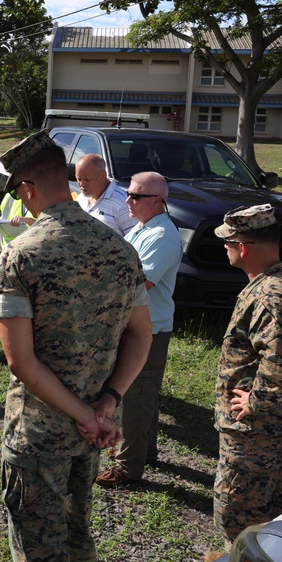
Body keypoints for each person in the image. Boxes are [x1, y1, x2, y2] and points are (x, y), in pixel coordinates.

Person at [0, 132, 153, 562]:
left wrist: (86, 415)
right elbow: (142, 334)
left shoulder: (20, 254)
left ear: (27, 189)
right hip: (93, 431)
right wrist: (107, 403)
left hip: (39, 434)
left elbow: (20, 360)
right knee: (77, 536)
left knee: (38, 546)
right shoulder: (120, 248)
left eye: (21, 194)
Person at [212, 204, 282, 542]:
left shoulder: (269, 294)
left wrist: (258, 400)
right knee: (265, 507)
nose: (225, 247)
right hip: (272, 423)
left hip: (254, 428)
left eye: (228, 241)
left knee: (237, 514)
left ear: (243, 246)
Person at [96, 171, 182, 488]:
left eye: (136, 196)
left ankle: (128, 467)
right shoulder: (145, 228)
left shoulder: (162, 236)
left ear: (157, 201)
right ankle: (146, 451)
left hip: (149, 329)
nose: (128, 200)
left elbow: (139, 283)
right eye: (128, 194)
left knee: (135, 396)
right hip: (139, 326)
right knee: (144, 395)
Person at [75, 154, 136, 236]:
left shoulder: (122, 204)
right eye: (79, 179)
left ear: (103, 175)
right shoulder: (80, 198)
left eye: (87, 179)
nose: (82, 184)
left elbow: (133, 241)